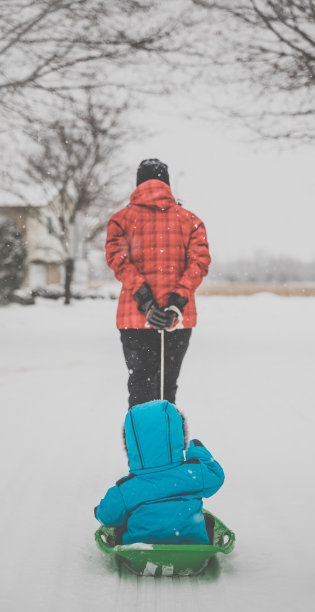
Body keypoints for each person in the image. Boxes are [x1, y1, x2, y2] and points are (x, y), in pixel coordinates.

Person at [105, 158, 211, 408]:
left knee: (140, 384)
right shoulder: (190, 220)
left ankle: (140, 444)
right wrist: (176, 302)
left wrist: (146, 303)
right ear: (167, 184)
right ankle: (169, 441)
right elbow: (199, 263)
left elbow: (118, 261)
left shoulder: (120, 219)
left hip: (134, 319)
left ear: (139, 183)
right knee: (167, 386)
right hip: (178, 321)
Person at [94, 400, 224, 545]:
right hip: (191, 543)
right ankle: (196, 544)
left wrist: (98, 511)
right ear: (178, 436)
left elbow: (107, 516)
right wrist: (197, 450)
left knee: (122, 522)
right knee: (207, 521)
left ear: (132, 444)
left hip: (140, 546)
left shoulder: (127, 489)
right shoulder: (191, 473)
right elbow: (216, 475)